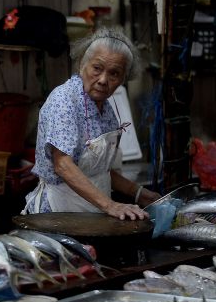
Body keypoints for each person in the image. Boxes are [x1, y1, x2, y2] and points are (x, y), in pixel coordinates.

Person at [23, 27, 160, 219]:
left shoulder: (107, 111)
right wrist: (110, 206)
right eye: (97, 68)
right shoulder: (64, 99)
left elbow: (100, 172)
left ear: (123, 79)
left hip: (93, 214)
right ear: (82, 65)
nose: (103, 80)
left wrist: (139, 193)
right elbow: (62, 165)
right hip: (59, 215)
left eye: (114, 74)